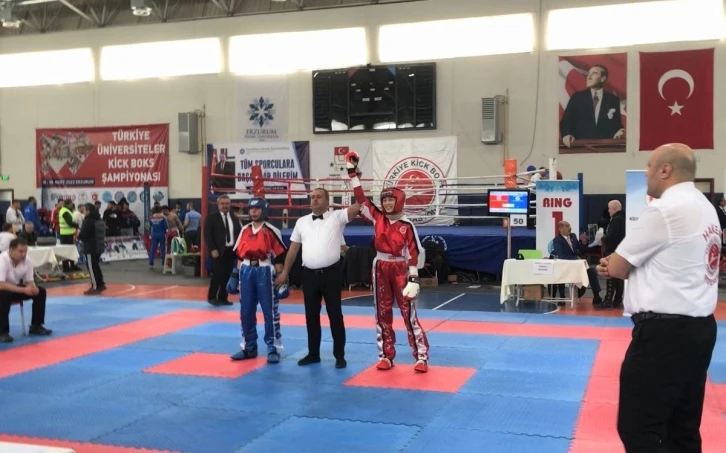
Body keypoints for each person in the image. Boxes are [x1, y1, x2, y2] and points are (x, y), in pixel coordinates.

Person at [596, 143, 719, 453]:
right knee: (682, 428)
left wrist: (611, 262)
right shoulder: (707, 208)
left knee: (639, 428)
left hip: (664, 334)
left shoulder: (664, 210)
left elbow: (618, 266)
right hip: (700, 329)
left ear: (665, 170)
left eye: (650, 166)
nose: (646, 173)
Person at [346, 152, 430, 372]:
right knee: (382, 313)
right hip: (380, 267)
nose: (388, 203)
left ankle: (421, 357)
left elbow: (413, 252)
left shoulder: (407, 225)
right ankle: (386, 355)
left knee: (408, 314)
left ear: (399, 200)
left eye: (391, 199)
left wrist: (414, 278)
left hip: (402, 268)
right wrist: (352, 174)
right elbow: (361, 199)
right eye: (385, 200)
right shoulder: (378, 218)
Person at [275, 185, 362, 369]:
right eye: (312, 196)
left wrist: (355, 179)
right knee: (311, 316)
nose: (314, 199)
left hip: (331, 274)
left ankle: (339, 355)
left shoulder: (337, 217)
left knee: (335, 315)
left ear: (327, 201)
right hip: (309, 276)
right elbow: (293, 250)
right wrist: (285, 272)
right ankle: (313, 354)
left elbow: (359, 205)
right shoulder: (301, 222)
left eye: (319, 196)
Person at [226, 198, 287, 363]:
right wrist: (234, 275)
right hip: (246, 270)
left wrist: (282, 280)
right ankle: (249, 347)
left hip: (265, 270)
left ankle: (273, 348)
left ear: (264, 210)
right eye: (251, 209)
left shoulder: (271, 230)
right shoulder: (245, 230)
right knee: (245, 311)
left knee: (269, 311)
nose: (253, 211)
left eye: (257, 208)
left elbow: (279, 256)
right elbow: (239, 255)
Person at [0, 238, 53, 343]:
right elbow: (1, 284)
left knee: (40, 292)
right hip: (2, 289)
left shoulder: (27, 260)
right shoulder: (2, 260)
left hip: (14, 288)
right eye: (20, 251)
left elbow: (29, 280)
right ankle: (2, 332)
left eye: (25, 251)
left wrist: (33, 288)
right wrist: (24, 289)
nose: (23, 254)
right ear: (11, 250)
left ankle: (36, 325)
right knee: (4, 295)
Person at [204, 195, 242, 306]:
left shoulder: (234, 218)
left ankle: (223, 297)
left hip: (231, 251)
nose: (225, 205)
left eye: (227, 203)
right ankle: (212, 297)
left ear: (230, 204)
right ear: (218, 205)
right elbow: (207, 235)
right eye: (222, 203)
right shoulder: (211, 217)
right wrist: (212, 249)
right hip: (217, 251)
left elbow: (239, 233)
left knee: (228, 275)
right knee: (217, 274)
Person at [599, 199, 625, 310]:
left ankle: (608, 300)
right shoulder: (624, 219)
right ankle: (618, 301)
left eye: (609, 209)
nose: (608, 211)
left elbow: (612, 236)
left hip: (613, 252)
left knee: (610, 275)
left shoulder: (615, 220)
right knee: (619, 277)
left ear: (614, 209)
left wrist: (603, 239)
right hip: (621, 252)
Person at [77, 203, 106, 295]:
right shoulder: (98, 219)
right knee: (95, 265)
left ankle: (95, 286)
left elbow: (83, 234)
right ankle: (100, 284)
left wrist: (78, 236)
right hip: (98, 246)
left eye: (85, 210)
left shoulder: (88, 221)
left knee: (91, 267)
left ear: (88, 211)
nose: (83, 212)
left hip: (90, 247)